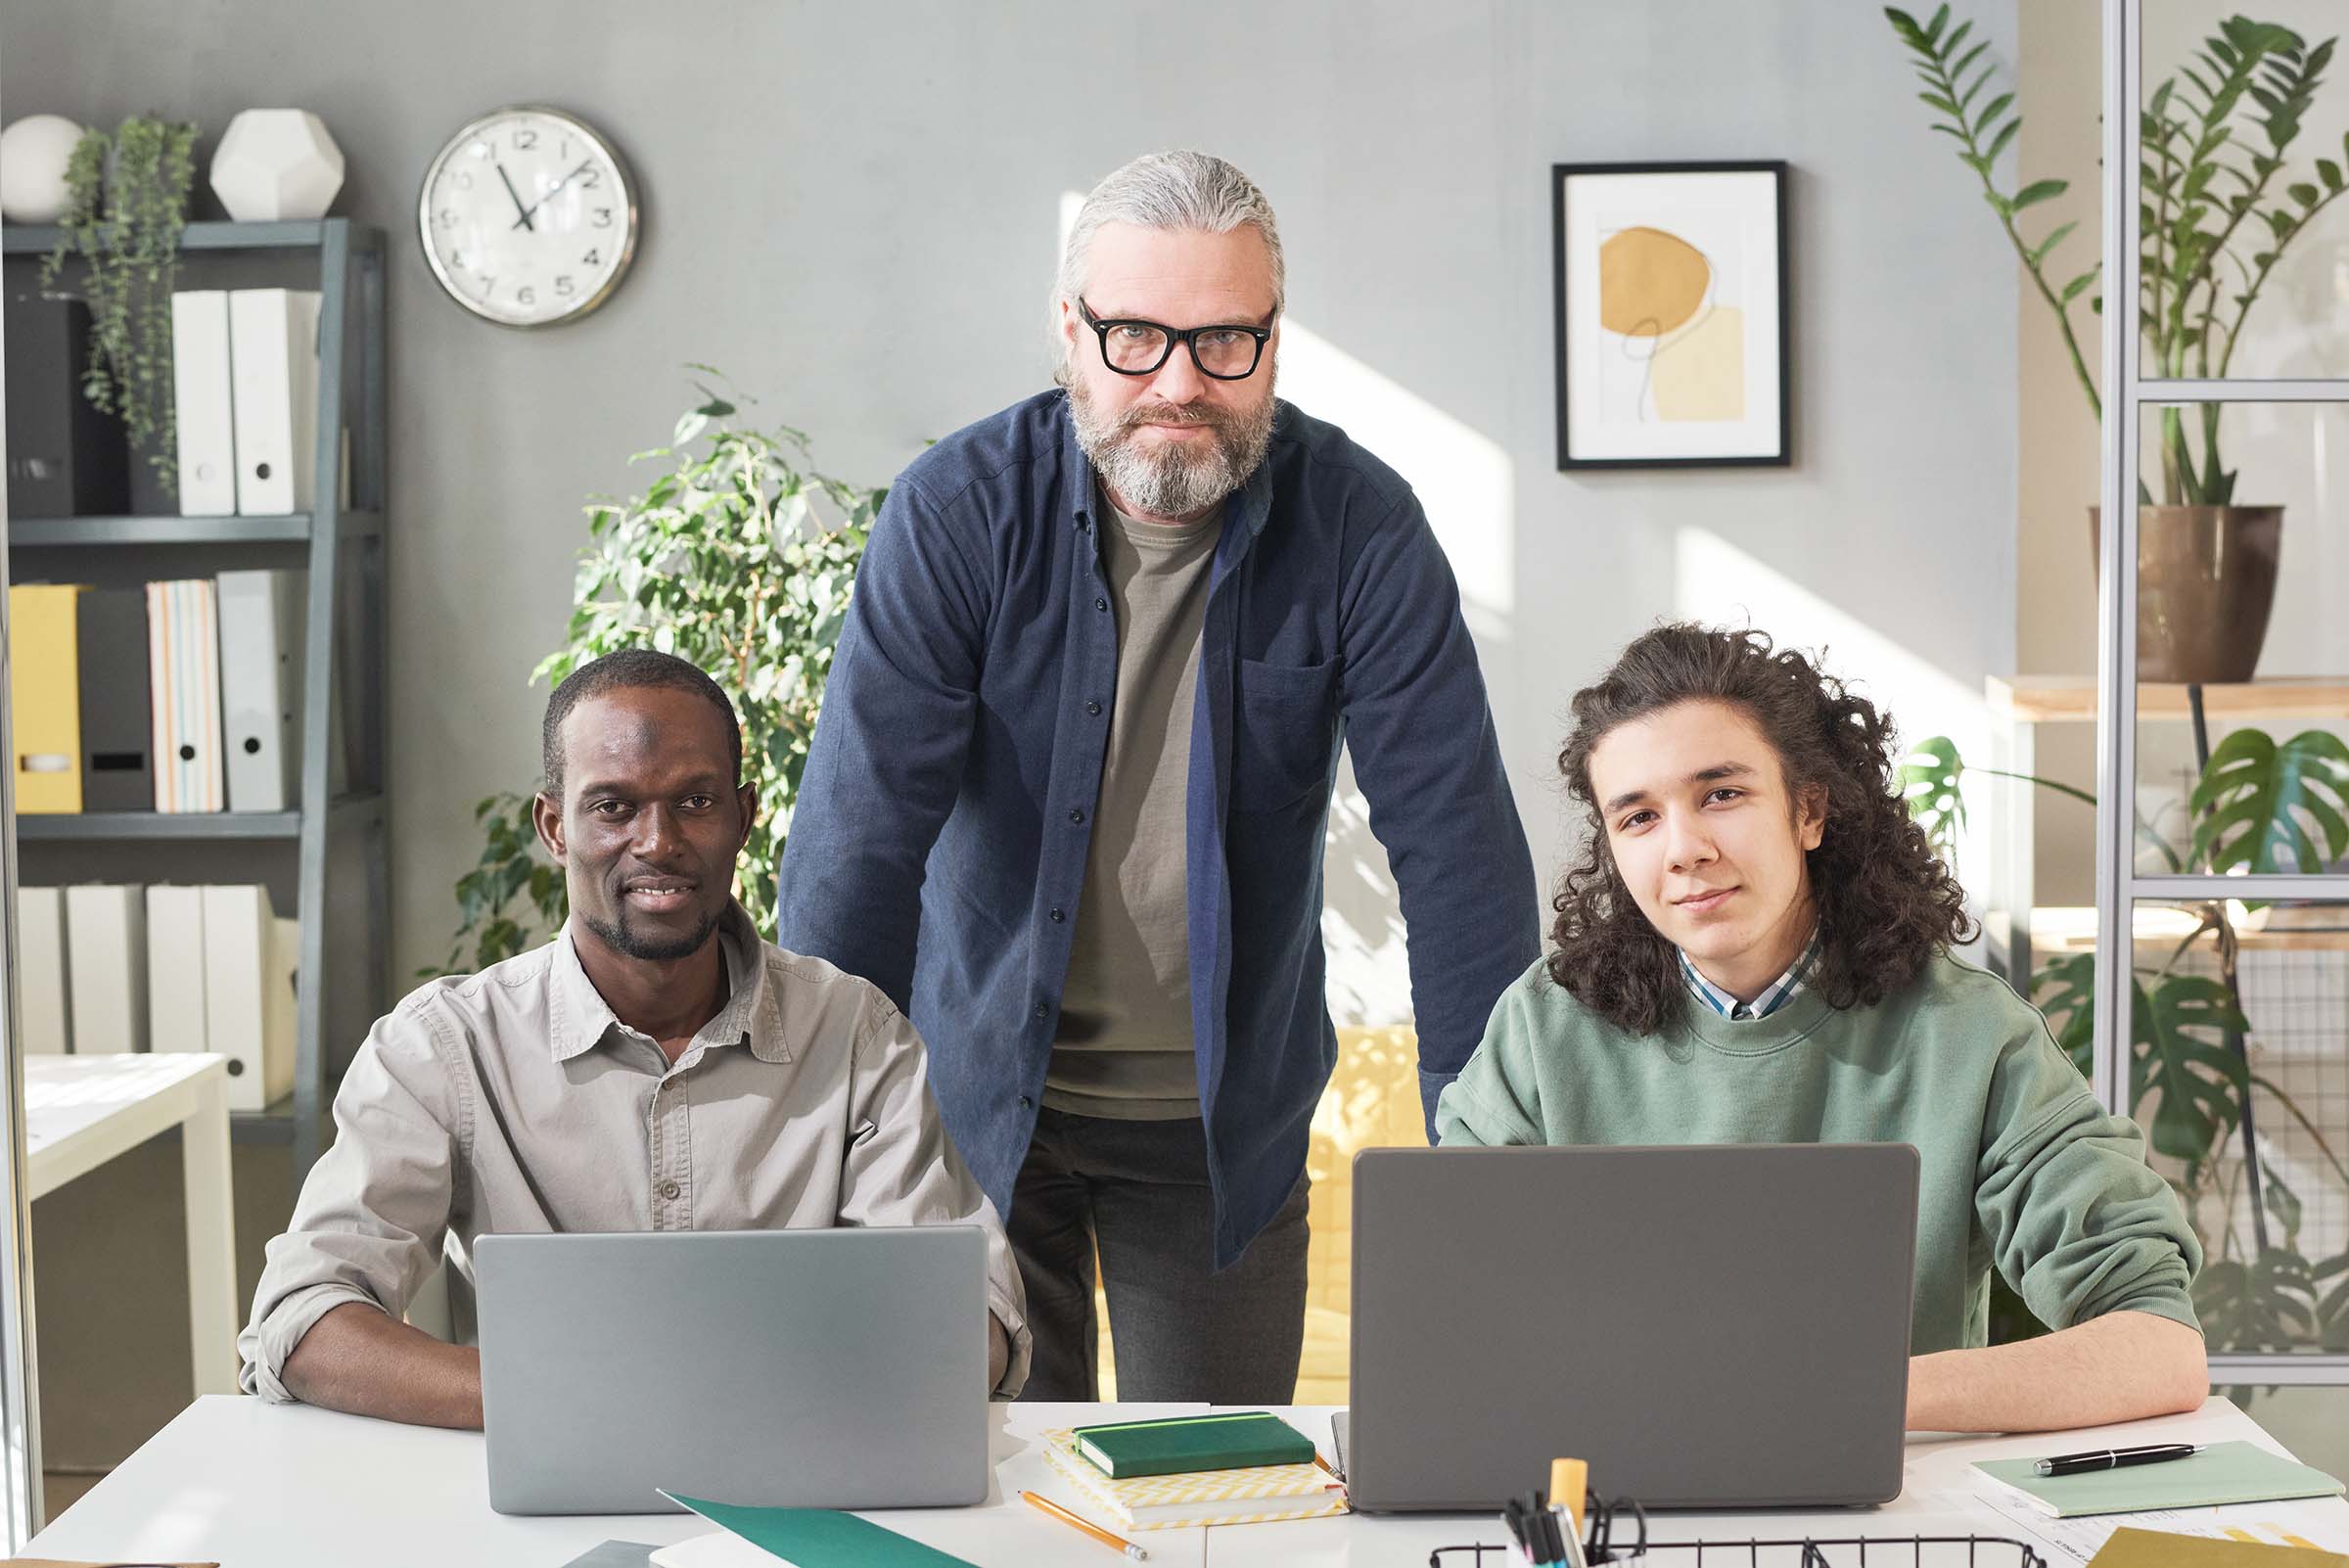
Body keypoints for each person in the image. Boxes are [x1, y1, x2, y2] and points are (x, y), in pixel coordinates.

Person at [776, 149, 1538, 1403]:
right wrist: (828, 1141)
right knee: (990, 1483)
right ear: (1069, 332)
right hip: (972, 1112)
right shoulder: (956, 515)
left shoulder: (1361, 528)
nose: (1180, 383)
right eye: (1135, 337)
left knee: (1217, 1491)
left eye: (1224, 340)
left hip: (1217, 1133)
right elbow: (857, 849)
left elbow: (1457, 853)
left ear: (1274, 340)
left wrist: (1492, 1158)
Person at [1438, 623, 2208, 1433]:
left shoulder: (1972, 1036)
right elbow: (1449, 1318)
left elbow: (2158, 1346)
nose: (1684, 849)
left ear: (1809, 810)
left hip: (1890, 1493)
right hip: (1600, 1485)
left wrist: (1851, 1396)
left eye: (1721, 795)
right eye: (1638, 818)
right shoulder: (1542, 1029)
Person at [240, 650, 1027, 1426]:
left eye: (695, 801)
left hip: (805, 1470)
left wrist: (743, 1403)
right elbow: (303, 1320)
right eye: (613, 807)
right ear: (555, 827)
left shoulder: (855, 1034)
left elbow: (976, 1319)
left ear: (743, 818)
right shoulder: (441, 1047)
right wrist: (576, 1402)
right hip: (535, 1481)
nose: (657, 841)